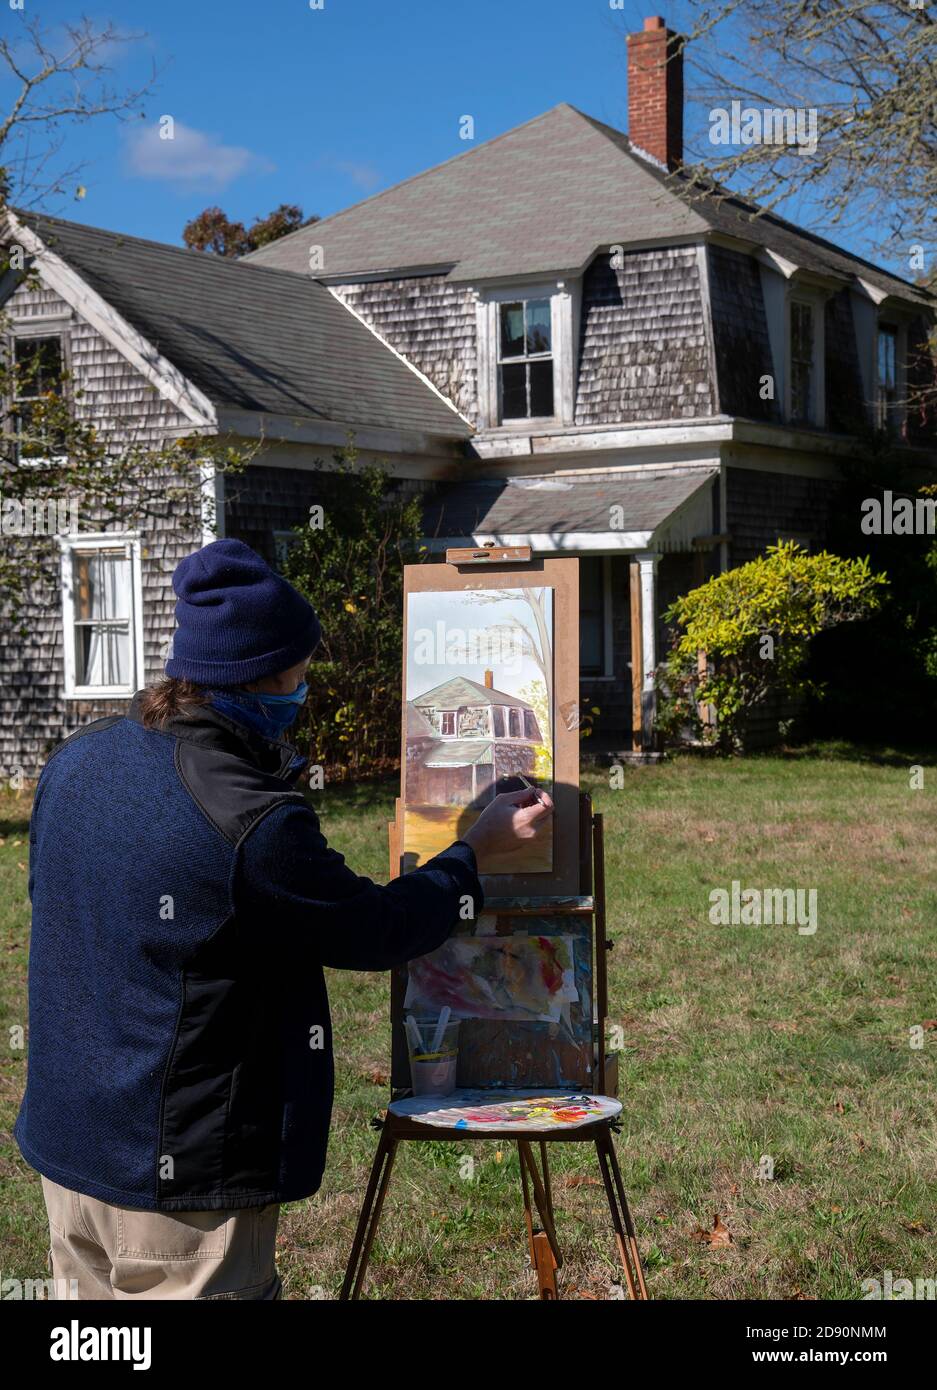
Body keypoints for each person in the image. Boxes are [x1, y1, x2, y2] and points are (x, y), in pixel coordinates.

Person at [14, 538, 551, 1300]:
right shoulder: (251, 820)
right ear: (259, 676)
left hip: (70, 1145)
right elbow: (374, 928)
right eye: (299, 672)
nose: (305, 688)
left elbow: (59, 905)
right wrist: (472, 854)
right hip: (178, 1183)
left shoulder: (78, 759)